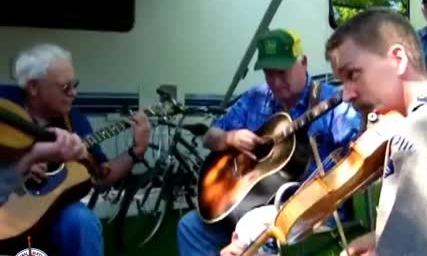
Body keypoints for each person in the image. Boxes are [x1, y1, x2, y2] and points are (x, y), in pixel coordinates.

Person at [176, 28, 363, 256]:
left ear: (303, 62)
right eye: (268, 73)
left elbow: (361, 142)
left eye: (281, 72)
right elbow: (210, 137)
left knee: (252, 236)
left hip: (303, 210)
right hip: (243, 205)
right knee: (190, 227)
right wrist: (229, 138)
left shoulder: (331, 102)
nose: (275, 81)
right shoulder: (256, 97)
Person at [325, 7, 427, 255]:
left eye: (353, 74)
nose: (346, 94)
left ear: (398, 59)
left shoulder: (416, 136)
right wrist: (381, 238)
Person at [0, 43, 151, 256]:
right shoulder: (4, 104)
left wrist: (136, 150)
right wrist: (21, 164)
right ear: (33, 87)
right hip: (5, 209)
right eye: (65, 87)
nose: (74, 93)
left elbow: (101, 176)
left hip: (53, 213)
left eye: (75, 84)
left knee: (81, 221)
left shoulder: (75, 121)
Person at [0, 128, 88, 205]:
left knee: (81, 217)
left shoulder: (71, 117)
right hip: (14, 199)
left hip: (51, 199)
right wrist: (29, 160)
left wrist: (100, 158)